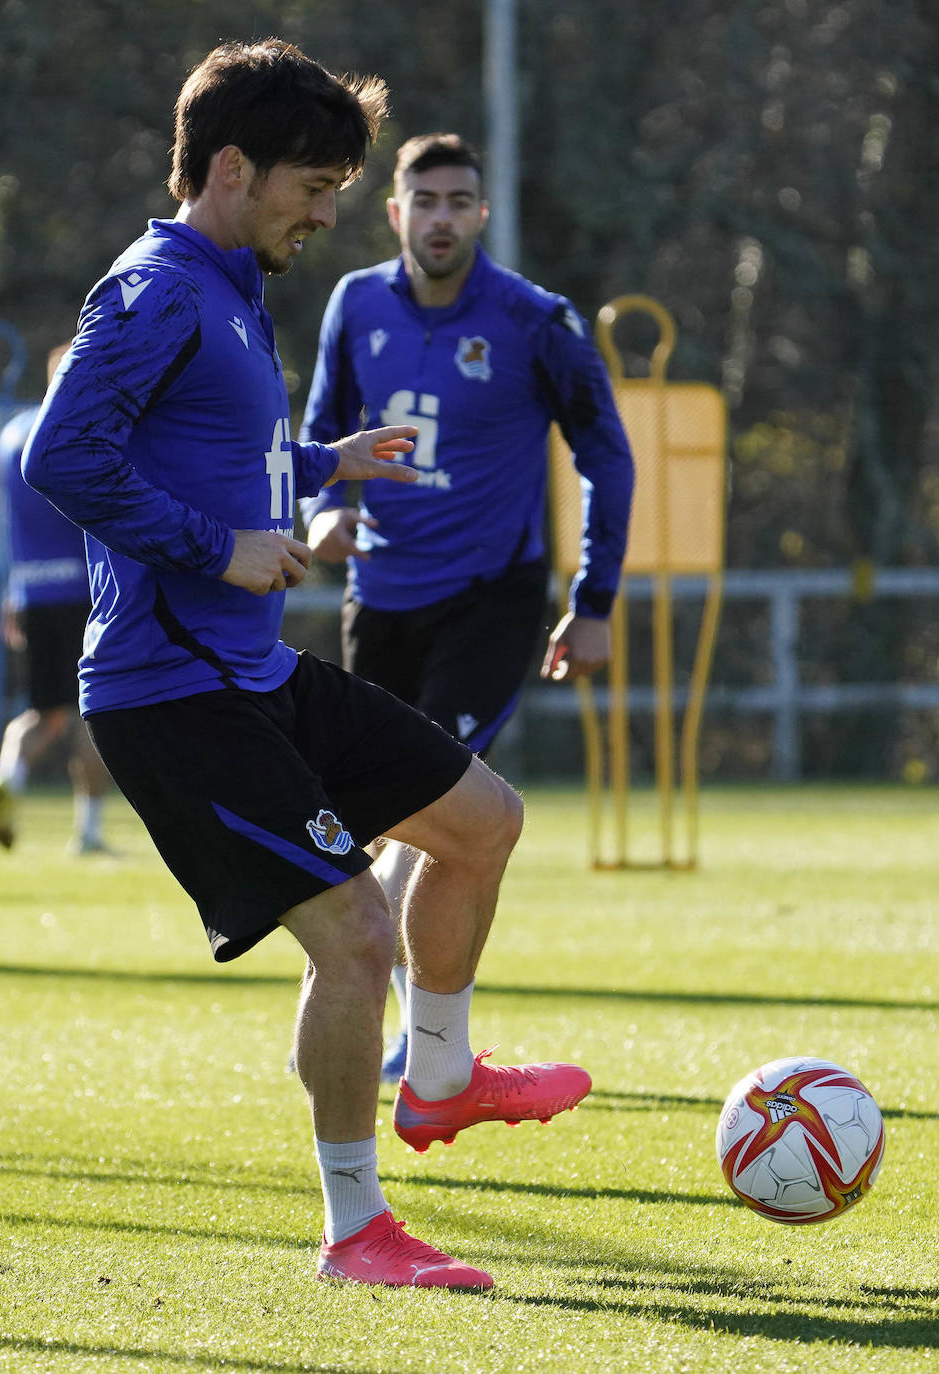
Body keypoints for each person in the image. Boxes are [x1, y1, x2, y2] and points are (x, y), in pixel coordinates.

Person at [22, 39, 592, 1292]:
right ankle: (354, 1232)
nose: (329, 213)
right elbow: (61, 458)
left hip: (252, 669)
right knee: (355, 935)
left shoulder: (230, 285)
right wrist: (213, 550)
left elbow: (208, 457)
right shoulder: (157, 289)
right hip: (172, 694)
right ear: (232, 166)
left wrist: (324, 463)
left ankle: (437, 1076)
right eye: (314, 185)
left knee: (482, 820)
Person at [299, 132, 635, 1081]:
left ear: (480, 215)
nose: (441, 217)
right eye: (425, 200)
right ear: (396, 212)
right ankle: (394, 1023)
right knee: (379, 817)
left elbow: (605, 455)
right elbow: (324, 430)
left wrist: (595, 596)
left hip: (490, 600)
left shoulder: (535, 320)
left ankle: (425, 1041)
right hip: (381, 597)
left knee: (435, 800)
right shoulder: (354, 302)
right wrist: (329, 508)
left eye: (460, 201)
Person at [0, 343, 109, 854]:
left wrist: (12, 591)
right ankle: (89, 831)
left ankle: (8, 777)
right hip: (82, 590)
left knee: (42, 710)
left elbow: (6, 523)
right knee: (95, 710)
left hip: (32, 588)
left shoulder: (12, 434)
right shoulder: (80, 431)